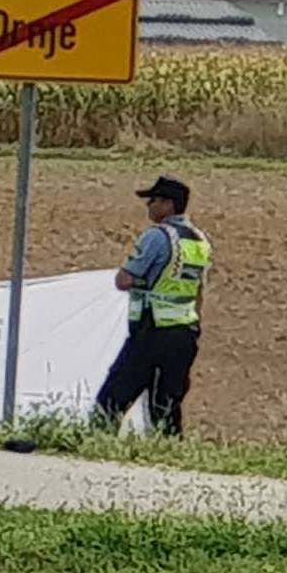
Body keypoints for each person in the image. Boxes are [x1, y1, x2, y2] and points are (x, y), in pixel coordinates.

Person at [93, 175, 212, 437]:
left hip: (153, 330)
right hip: (185, 332)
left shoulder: (157, 237)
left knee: (110, 402)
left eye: (153, 200)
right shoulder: (200, 241)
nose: (148, 205)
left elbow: (123, 280)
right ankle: (169, 458)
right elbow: (199, 289)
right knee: (167, 408)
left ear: (168, 204)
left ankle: (96, 450)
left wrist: (142, 280)